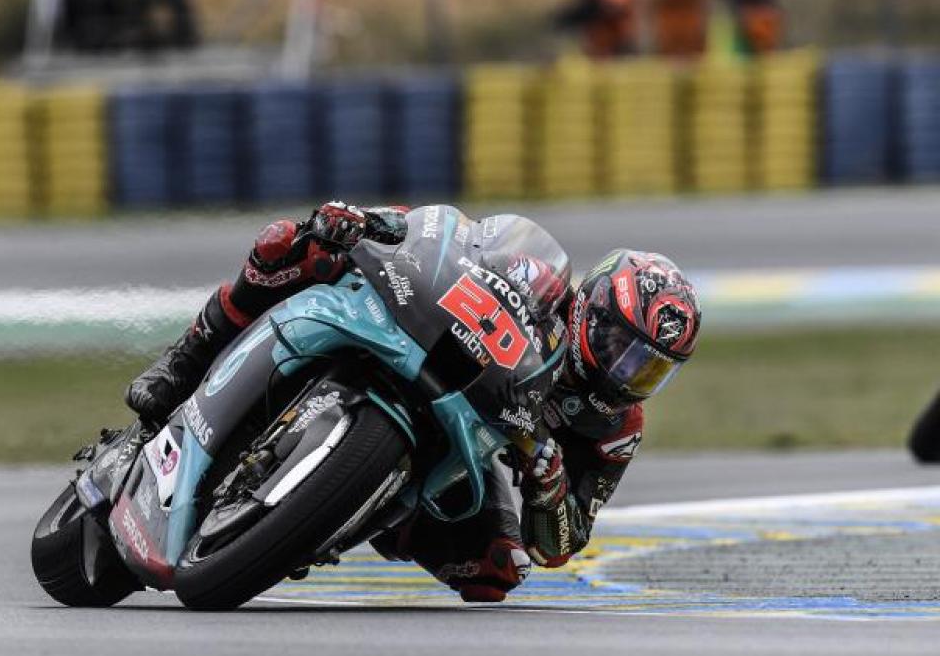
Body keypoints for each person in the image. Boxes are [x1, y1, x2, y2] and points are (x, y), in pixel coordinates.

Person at [125, 202, 702, 602]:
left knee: (497, 570)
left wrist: (549, 481)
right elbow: (448, 237)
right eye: (620, 347)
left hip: (470, 446)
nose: (627, 371)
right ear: (592, 309)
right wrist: (372, 223)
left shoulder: (615, 425)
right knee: (293, 243)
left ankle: (351, 518)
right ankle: (184, 364)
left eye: (648, 367)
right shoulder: (539, 277)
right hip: (426, 342)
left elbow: (563, 544)